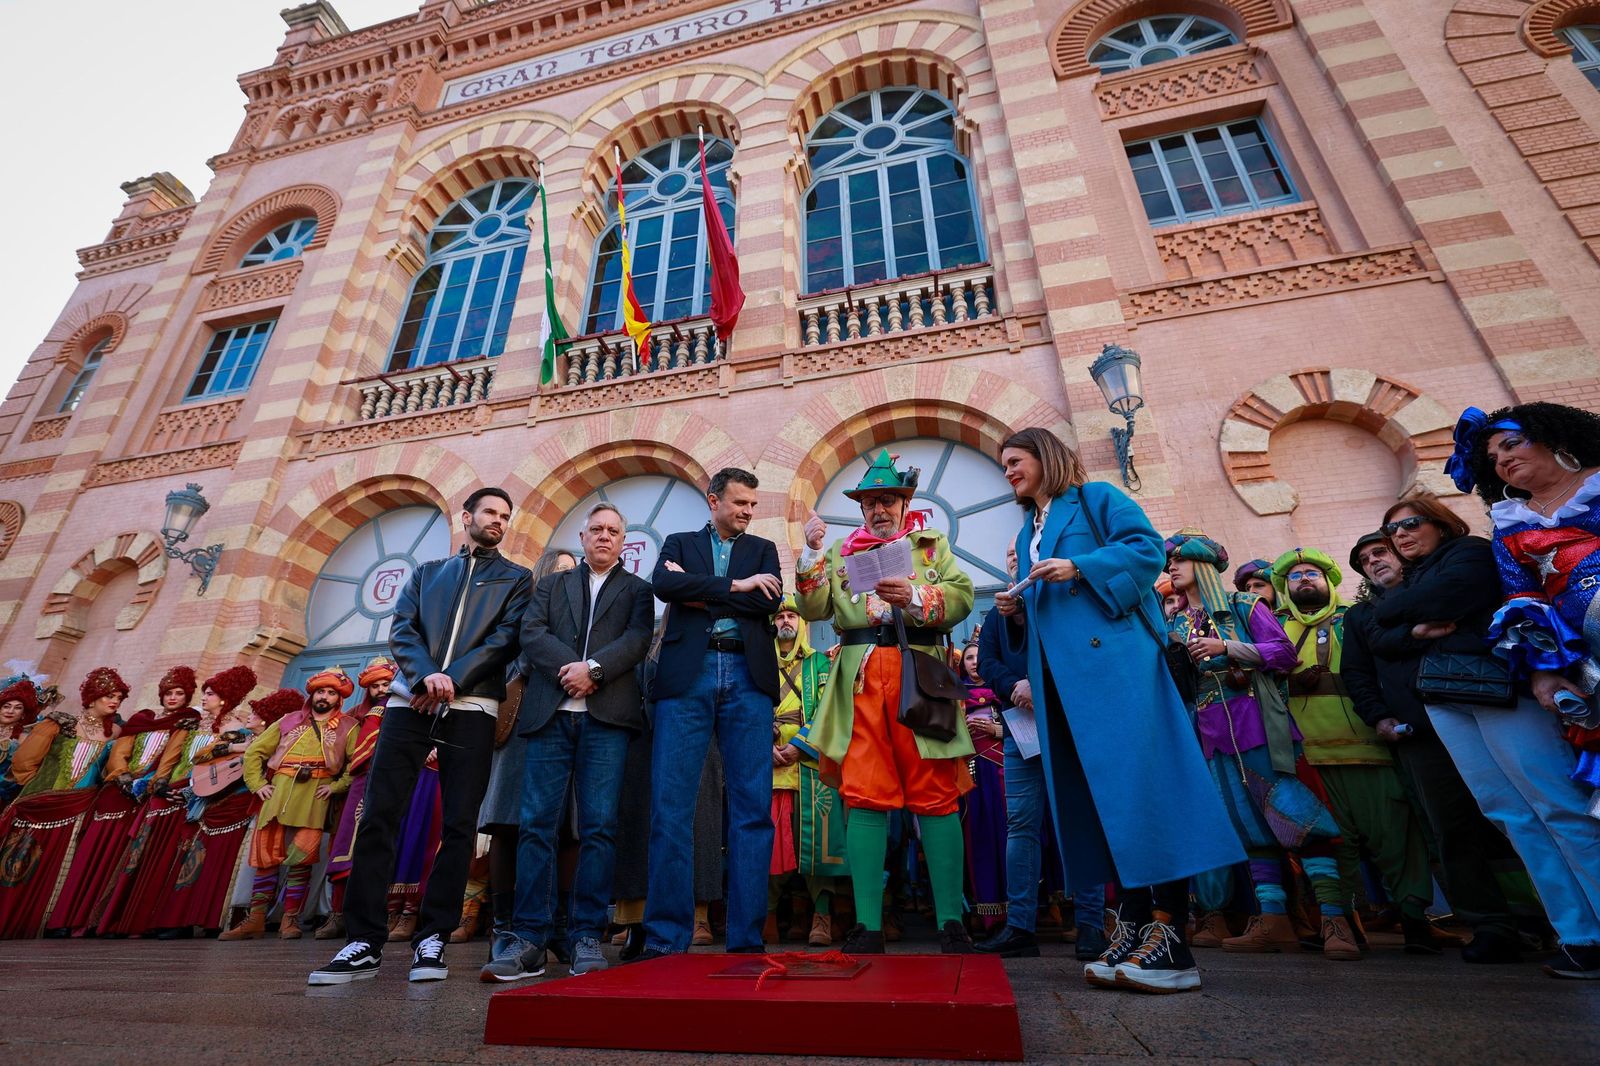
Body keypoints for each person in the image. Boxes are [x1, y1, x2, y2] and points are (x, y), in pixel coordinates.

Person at [312, 487, 531, 985]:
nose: (498, 521)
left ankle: (433, 936)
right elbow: (402, 629)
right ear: (467, 516)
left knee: (458, 825)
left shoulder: (517, 578)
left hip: (472, 705)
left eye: (505, 516)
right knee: (380, 816)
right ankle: (363, 941)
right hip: (409, 701)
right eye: (491, 512)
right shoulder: (427, 572)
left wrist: (451, 677)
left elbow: (505, 638)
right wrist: (426, 674)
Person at [795, 449, 977, 955]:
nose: (880, 509)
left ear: (904, 503)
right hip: (857, 682)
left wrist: (917, 598)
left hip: (918, 675)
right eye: (871, 501)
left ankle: (951, 922)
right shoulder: (837, 553)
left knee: (935, 793)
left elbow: (961, 596)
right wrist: (810, 554)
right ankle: (868, 926)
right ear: (861, 507)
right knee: (865, 796)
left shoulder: (930, 546)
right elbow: (811, 606)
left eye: (889, 500)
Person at [1453, 402, 1600, 978]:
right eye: (1493, 457)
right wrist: (1542, 670)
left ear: (1553, 439)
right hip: (1584, 663)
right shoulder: (1511, 524)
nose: (1504, 459)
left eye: (1512, 444)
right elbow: (1525, 598)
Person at [1167, 531, 1359, 962]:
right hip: (1209, 730)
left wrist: (1227, 647)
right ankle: (1273, 921)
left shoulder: (1244, 605)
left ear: (1202, 564)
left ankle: (1335, 920)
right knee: (1246, 825)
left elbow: (1284, 654)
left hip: (1258, 721)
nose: (1171, 569)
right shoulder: (1175, 622)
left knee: (1297, 816)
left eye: (1179, 560)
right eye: (1169, 563)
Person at [1341, 531, 1532, 962]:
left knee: (1510, 816)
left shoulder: (1446, 592)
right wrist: (1380, 717)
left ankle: (1535, 916)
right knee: (1452, 829)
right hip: (1420, 734)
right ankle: (1490, 924)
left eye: (1379, 552)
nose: (1373, 562)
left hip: (1484, 715)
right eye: (1364, 560)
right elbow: (1356, 673)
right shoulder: (1361, 618)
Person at [483, 502, 653, 982]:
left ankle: (585, 937)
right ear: (582, 538)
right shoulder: (553, 585)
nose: (603, 537)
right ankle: (530, 938)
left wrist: (594, 670)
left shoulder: (639, 590)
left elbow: (639, 639)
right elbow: (531, 633)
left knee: (599, 828)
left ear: (624, 542)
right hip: (549, 717)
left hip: (607, 722)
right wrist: (571, 671)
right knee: (537, 827)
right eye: (595, 529)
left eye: (613, 531)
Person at [639, 468, 782, 960]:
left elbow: (772, 600)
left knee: (752, 811)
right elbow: (663, 586)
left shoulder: (764, 549)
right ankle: (665, 938)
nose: (747, 511)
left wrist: (703, 590)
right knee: (670, 809)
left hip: (748, 676)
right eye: (740, 502)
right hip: (688, 675)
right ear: (713, 499)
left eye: (752, 505)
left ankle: (745, 940)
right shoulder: (678, 541)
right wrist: (737, 587)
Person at [1268, 548, 1437, 953]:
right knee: (1331, 845)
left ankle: (1415, 922)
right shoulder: (1273, 629)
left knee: (1397, 840)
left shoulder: (1357, 619)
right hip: (1309, 759)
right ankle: (1339, 924)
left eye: (1312, 573)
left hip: (1371, 751)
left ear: (1329, 580)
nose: (1304, 580)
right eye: (1294, 576)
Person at [976, 549, 1102, 961]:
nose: (1015, 558)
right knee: (1021, 825)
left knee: (1079, 817)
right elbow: (989, 662)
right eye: (1010, 554)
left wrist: (1041, 685)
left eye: (1022, 551)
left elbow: (1081, 653)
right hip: (1021, 729)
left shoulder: (1067, 600)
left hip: (1070, 724)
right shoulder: (997, 613)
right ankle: (1019, 928)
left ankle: (1091, 925)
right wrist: (1015, 687)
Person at [479, 548, 576, 957]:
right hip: (520, 725)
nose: (568, 579)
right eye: (561, 572)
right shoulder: (522, 610)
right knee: (509, 823)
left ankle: (558, 926)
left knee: (568, 827)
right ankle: (503, 927)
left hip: (567, 721)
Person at [221, 671, 360, 942]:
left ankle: (290, 920)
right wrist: (258, 784)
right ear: (313, 694)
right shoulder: (289, 720)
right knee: (265, 858)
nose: (325, 696)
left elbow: (356, 764)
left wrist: (336, 786)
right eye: (321, 691)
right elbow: (254, 752)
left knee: (301, 858)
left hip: (315, 795)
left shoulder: (349, 726)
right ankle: (256, 919)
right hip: (278, 791)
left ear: (340, 698)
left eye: (331, 692)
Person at [0, 666, 126, 939]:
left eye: (118, 696)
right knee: (19, 861)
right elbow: (24, 761)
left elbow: (111, 768)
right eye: (108, 695)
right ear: (91, 697)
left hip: (80, 808)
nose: (114, 701)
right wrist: (41, 786)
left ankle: (48, 921)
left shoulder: (116, 732)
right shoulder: (60, 723)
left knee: (62, 865)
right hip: (42, 804)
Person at [147, 667, 269, 939]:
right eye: (204, 693)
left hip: (207, 800)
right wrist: (161, 783)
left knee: (194, 858)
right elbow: (178, 759)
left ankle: (189, 918)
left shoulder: (238, 729)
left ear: (224, 698)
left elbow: (222, 769)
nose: (204, 698)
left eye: (210, 694)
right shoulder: (191, 724)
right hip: (176, 796)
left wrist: (195, 790)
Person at [92, 666, 208, 937]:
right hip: (122, 793)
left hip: (154, 794)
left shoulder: (188, 723)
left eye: (180, 693)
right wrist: (123, 775)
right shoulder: (142, 719)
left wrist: (153, 783)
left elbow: (175, 759)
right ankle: (102, 918)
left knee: (139, 859)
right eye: (168, 693)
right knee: (113, 857)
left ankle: (127, 918)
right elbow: (120, 753)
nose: (173, 697)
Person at [768, 594, 845, 946]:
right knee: (768, 850)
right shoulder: (759, 664)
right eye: (780, 615)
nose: (786, 621)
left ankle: (822, 917)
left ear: (803, 623)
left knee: (818, 851)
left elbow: (828, 713)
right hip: (766, 769)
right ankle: (766, 917)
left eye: (792, 616)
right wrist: (762, 745)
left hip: (809, 768)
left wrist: (797, 746)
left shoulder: (821, 664)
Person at [319, 658, 396, 941]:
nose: (379, 689)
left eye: (385, 684)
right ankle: (338, 914)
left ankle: (383, 914)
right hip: (360, 782)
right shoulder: (354, 715)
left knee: (386, 846)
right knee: (346, 846)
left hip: (395, 779)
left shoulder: (406, 706)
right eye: (374, 685)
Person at [960, 640, 1008, 936]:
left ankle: (1019, 915)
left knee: (1007, 837)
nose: (974, 662)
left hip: (1002, 772)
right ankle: (985, 914)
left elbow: (1026, 726)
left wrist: (996, 730)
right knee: (976, 839)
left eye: (979, 656)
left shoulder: (1004, 691)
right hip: (971, 775)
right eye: (969, 658)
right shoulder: (953, 696)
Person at [0, 671, 46, 808]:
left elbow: (19, 774)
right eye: (6, 706)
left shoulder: (24, 738)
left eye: (17, 708)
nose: (10, 711)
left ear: (23, 714)